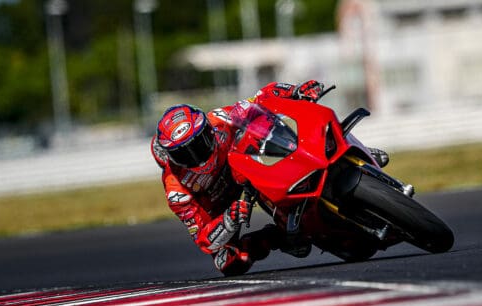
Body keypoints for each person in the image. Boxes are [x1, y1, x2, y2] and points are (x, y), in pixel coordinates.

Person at [151, 80, 389, 275]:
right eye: (184, 154)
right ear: (172, 158)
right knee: (228, 262)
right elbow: (205, 240)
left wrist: (295, 92)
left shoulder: (219, 119)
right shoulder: (176, 190)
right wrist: (230, 219)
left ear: (207, 130)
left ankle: (341, 152)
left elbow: (259, 99)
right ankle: (279, 237)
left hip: (245, 167)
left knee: (271, 125)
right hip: (224, 208)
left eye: (199, 143)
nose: (196, 157)